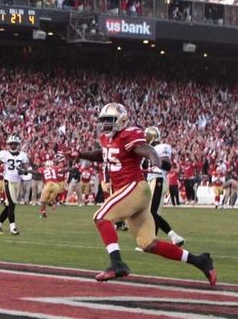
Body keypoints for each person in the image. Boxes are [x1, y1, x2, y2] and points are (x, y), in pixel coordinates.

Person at [70, 103, 216, 285]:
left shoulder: (129, 134)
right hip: (131, 193)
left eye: (110, 120)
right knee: (148, 244)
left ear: (121, 120)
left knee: (101, 216)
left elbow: (148, 150)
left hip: (134, 188)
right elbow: (104, 154)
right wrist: (80, 154)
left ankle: (116, 263)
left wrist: (155, 162)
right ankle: (201, 261)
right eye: (104, 121)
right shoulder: (107, 139)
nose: (106, 124)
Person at [144, 127, 185, 245]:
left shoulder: (161, 147)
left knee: (151, 213)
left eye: (146, 136)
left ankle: (151, 241)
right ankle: (174, 237)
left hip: (158, 180)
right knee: (154, 213)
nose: (144, 139)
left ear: (151, 136)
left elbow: (167, 165)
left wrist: (155, 161)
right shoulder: (148, 149)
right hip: (154, 181)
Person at [0, 135, 31, 235]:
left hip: (18, 181)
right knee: (12, 204)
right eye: (11, 144)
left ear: (18, 144)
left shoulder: (22, 155)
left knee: (9, 206)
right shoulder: (5, 154)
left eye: (15, 144)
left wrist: (25, 172)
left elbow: (26, 168)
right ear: (8, 145)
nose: (13, 146)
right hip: (8, 180)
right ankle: (13, 228)